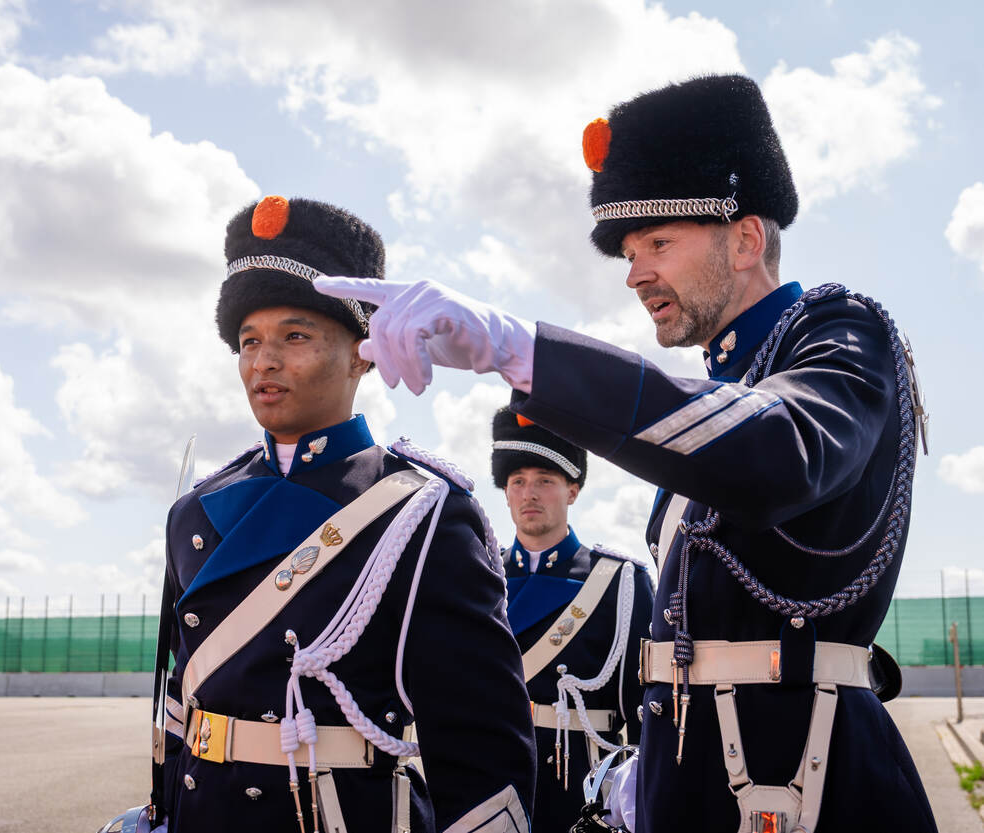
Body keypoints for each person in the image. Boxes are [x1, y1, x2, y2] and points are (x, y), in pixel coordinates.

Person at [315, 74, 934, 833]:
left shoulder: (840, 331)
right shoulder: (718, 391)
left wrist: (525, 350)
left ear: (745, 238)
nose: (637, 273)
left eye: (660, 242)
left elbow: (780, 452)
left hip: (810, 784)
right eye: (630, 252)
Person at [148, 196, 536, 833]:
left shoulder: (420, 512)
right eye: (250, 341)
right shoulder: (193, 510)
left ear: (364, 352)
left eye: (295, 337)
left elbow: (481, 749)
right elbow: (179, 711)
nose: (264, 362)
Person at [491, 407, 654, 832]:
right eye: (518, 482)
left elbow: (645, 709)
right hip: (491, 779)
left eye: (545, 481)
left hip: (579, 790)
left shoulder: (619, 581)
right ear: (505, 493)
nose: (530, 494)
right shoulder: (480, 579)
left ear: (573, 490)